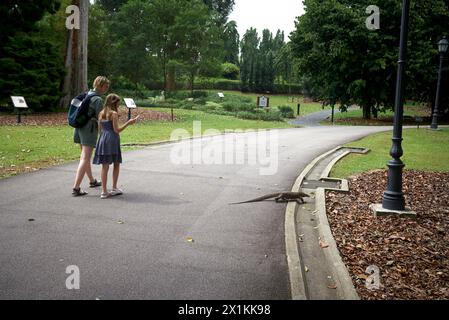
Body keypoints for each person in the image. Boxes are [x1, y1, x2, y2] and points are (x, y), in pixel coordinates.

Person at [93, 93, 139, 199]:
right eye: (118, 103)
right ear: (113, 103)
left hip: (103, 139)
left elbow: (100, 129)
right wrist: (128, 123)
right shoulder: (113, 114)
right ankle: (114, 188)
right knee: (116, 164)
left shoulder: (101, 113)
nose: (119, 105)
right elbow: (116, 130)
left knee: (105, 166)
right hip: (112, 140)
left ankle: (104, 191)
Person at [72, 76, 110, 196]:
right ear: (100, 85)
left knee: (85, 156)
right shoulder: (98, 99)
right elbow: (101, 119)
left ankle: (92, 181)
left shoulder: (86, 94)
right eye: (106, 86)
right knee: (85, 158)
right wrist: (104, 135)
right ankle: (76, 188)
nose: (107, 88)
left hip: (79, 127)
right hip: (89, 129)